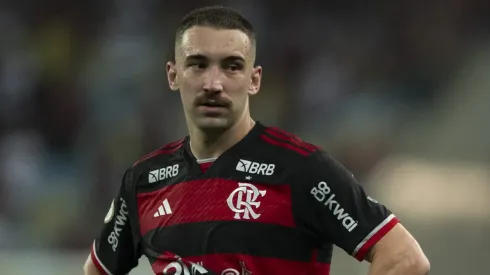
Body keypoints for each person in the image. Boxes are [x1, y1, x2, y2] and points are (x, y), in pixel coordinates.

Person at [83, 5, 430, 275]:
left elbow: (403, 257)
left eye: (231, 66)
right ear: (173, 75)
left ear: (254, 79)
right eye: (198, 64)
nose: (213, 83)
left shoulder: (301, 169)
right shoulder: (143, 180)